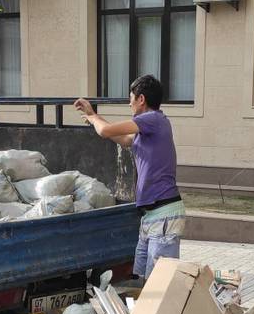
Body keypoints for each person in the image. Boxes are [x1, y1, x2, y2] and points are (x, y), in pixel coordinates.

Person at [74, 74, 183, 279]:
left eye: (131, 98)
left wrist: (93, 117)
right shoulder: (148, 127)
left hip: (164, 215)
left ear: (141, 99)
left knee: (158, 282)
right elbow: (124, 139)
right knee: (142, 279)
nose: (129, 103)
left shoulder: (153, 119)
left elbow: (105, 131)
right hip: (150, 215)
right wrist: (93, 116)